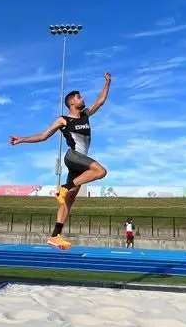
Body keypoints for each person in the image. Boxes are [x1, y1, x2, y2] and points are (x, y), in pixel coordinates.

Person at [9, 72, 112, 249]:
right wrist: (22, 139)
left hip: (80, 164)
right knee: (100, 171)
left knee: (69, 201)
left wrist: (107, 83)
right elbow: (43, 136)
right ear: (72, 102)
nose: (83, 98)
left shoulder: (86, 115)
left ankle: (55, 235)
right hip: (72, 157)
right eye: (79, 97)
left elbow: (100, 101)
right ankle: (63, 189)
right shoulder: (63, 120)